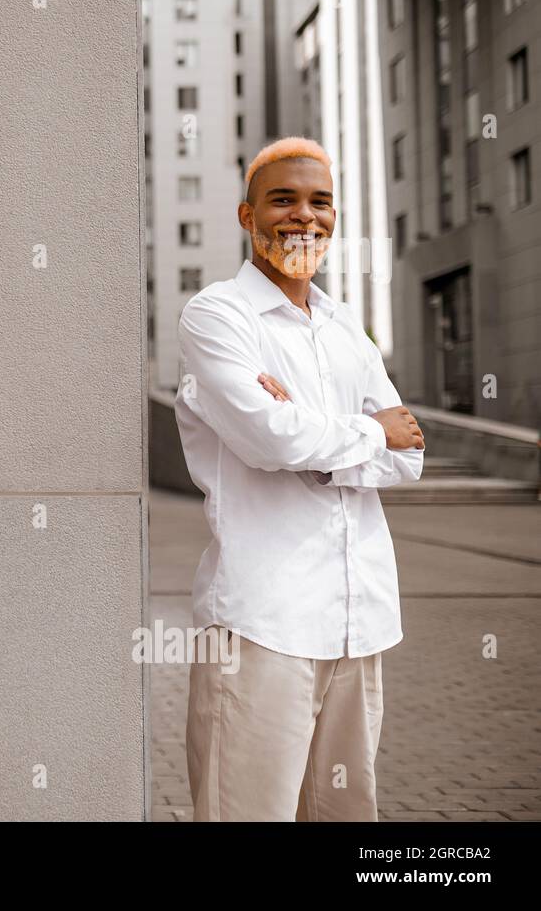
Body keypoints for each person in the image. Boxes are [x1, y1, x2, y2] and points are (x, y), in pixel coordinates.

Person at [174, 137, 426, 821]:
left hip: (357, 618)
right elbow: (267, 436)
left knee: (348, 814)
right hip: (263, 623)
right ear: (246, 215)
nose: (303, 217)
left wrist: (312, 435)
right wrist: (364, 431)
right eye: (282, 199)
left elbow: (410, 454)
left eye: (320, 202)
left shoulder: (346, 326)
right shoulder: (218, 315)